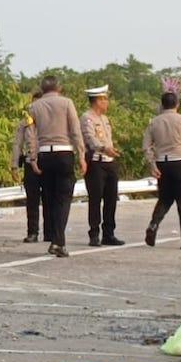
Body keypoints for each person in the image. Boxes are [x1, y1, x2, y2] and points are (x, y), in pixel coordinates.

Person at [26, 76, 86, 257]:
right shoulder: (67, 103)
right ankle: (58, 241)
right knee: (64, 198)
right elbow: (75, 131)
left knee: (50, 199)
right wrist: (82, 155)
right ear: (59, 87)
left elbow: (32, 135)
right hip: (63, 152)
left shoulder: (34, 107)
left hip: (44, 154)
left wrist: (33, 158)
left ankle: (54, 238)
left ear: (42, 89)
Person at [142, 91, 181, 250]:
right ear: (177, 104)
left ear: (162, 105)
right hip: (179, 163)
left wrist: (152, 164)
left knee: (165, 198)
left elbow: (146, 146)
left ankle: (154, 223)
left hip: (162, 163)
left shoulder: (154, 122)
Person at [81, 85, 124, 247]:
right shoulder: (87, 118)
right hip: (96, 162)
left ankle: (109, 233)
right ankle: (94, 233)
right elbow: (90, 139)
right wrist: (105, 148)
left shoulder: (105, 119)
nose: (107, 102)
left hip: (109, 162)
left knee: (111, 198)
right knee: (95, 199)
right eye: (104, 99)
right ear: (97, 101)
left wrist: (111, 150)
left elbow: (107, 139)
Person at [11, 92, 43, 242]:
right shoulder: (24, 123)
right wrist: (14, 166)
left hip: (47, 162)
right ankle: (33, 232)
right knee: (32, 200)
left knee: (50, 199)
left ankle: (50, 231)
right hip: (30, 164)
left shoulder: (50, 122)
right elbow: (17, 144)